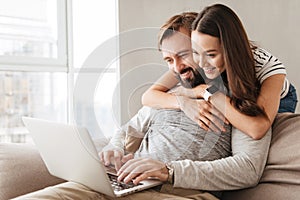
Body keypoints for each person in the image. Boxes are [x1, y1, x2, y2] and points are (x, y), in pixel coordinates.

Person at [14, 9, 271, 200]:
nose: (177, 68)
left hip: (180, 192)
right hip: (127, 183)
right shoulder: (171, 95)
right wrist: (114, 150)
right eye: (168, 60)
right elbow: (129, 131)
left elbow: (249, 169)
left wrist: (169, 171)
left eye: (183, 55)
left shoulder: (241, 101)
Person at [142, 4, 298, 140]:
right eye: (195, 52)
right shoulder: (196, 60)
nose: (201, 63)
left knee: (250, 135)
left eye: (210, 54)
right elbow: (149, 96)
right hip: (228, 87)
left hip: (277, 98)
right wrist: (187, 100)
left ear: (228, 50)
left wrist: (211, 94)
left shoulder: (268, 67)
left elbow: (257, 128)